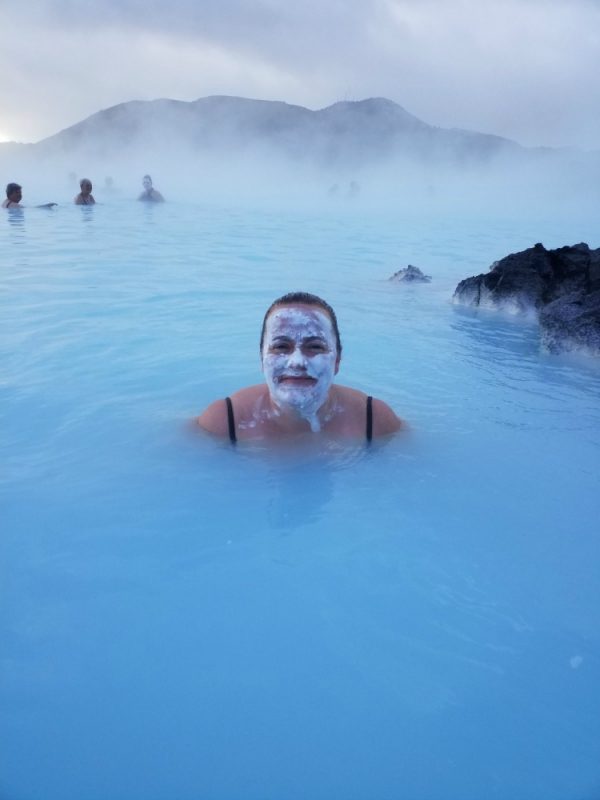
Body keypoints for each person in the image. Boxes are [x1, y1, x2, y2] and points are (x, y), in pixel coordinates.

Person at [197, 292, 404, 442]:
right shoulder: (225, 422)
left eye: (315, 347)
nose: (297, 361)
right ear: (262, 359)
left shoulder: (373, 421)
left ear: (337, 361)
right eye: (281, 347)